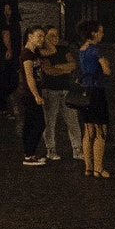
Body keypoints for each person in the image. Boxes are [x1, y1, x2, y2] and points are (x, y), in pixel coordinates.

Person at [76, 20, 112, 178]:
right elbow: (106, 70)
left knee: (87, 130)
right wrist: (107, 66)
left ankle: (88, 167)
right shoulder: (95, 50)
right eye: (100, 31)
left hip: (85, 91)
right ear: (93, 33)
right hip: (97, 91)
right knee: (100, 131)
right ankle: (99, 168)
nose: (102, 34)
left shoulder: (82, 49)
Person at [39, 25, 79, 162]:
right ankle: (51, 149)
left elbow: (73, 64)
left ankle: (77, 149)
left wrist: (57, 68)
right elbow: (48, 71)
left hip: (65, 89)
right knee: (50, 122)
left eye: (56, 35)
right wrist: (64, 69)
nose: (55, 38)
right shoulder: (43, 52)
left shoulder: (63, 49)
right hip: (50, 90)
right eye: (51, 36)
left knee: (72, 121)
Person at [17, 27, 49, 166]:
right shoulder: (27, 55)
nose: (42, 39)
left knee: (29, 124)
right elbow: (29, 77)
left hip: (31, 92)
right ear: (30, 36)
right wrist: (36, 95)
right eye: (39, 36)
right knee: (39, 123)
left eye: (43, 36)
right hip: (29, 93)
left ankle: (29, 153)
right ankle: (29, 154)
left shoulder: (34, 52)